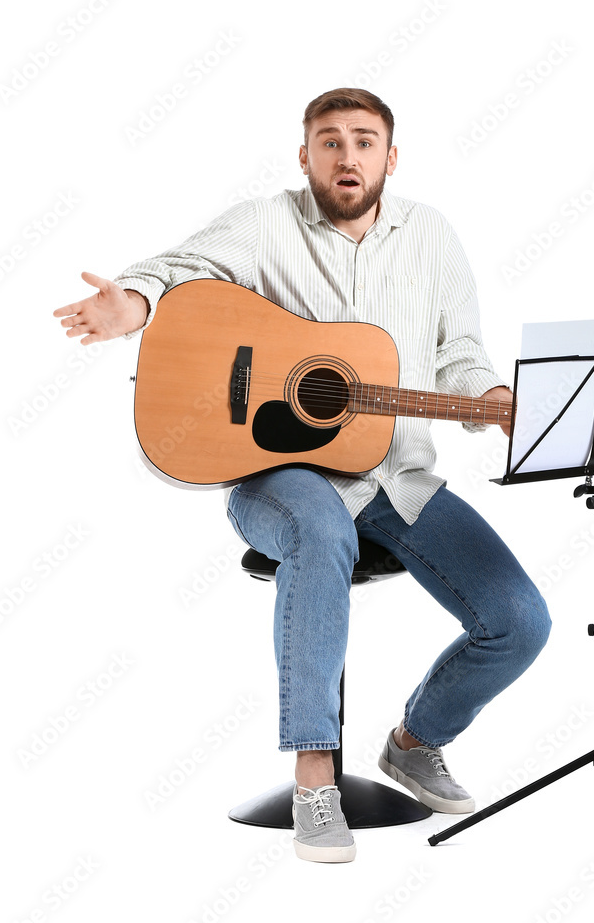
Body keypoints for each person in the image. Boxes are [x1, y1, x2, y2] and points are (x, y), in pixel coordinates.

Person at [54, 88, 551, 863]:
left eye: (363, 141)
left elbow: (462, 353)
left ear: (392, 156)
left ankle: (415, 742)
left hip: (398, 478)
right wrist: (136, 306)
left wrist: (488, 399)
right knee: (320, 529)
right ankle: (314, 773)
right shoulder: (265, 223)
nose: (347, 156)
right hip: (277, 475)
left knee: (520, 621)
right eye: (329, 141)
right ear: (305, 155)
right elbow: (179, 268)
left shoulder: (434, 238)